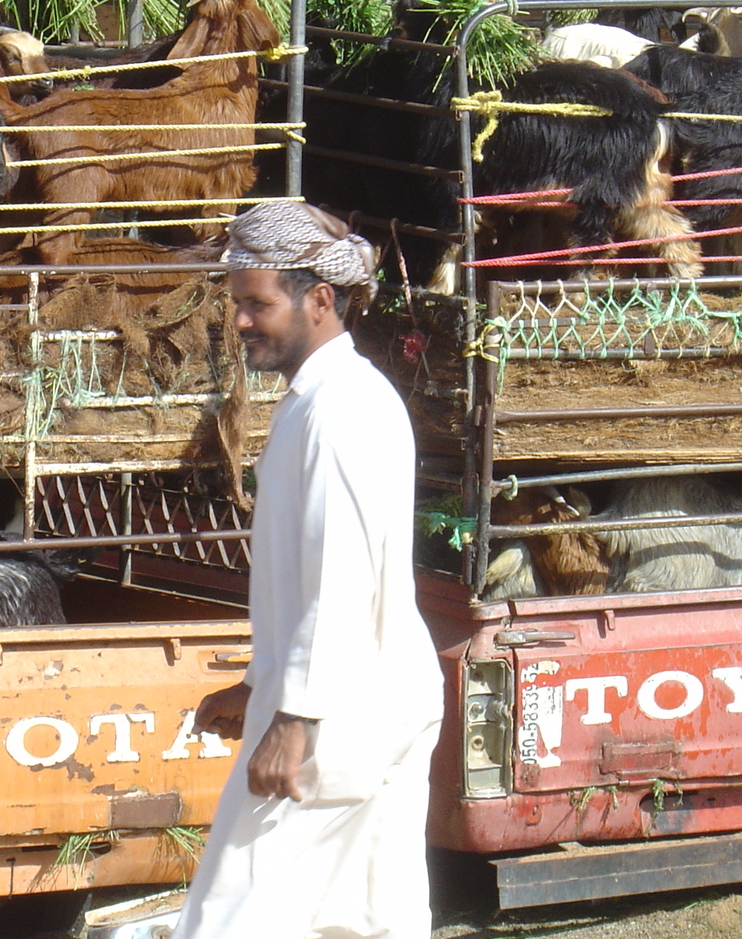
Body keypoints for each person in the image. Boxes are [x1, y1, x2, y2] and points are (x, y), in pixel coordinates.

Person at [172, 201, 445, 939]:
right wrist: (258, 684)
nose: (240, 324)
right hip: (355, 702)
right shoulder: (318, 402)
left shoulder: (342, 410)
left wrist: (293, 720)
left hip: (338, 718)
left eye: (256, 304)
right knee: (366, 921)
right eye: (237, 305)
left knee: (230, 920)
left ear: (320, 300)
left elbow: (343, 577)